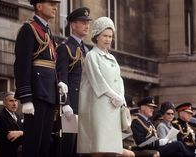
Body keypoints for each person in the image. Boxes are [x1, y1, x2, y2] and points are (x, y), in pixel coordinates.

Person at [14, 0, 67, 157]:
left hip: (48, 92)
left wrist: (58, 83)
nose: (55, 8)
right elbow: (22, 64)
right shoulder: (28, 29)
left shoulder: (47, 31)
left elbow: (51, 64)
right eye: (51, 3)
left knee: (45, 145)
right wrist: (26, 98)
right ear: (39, 6)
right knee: (33, 144)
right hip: (36, 93)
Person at [77, 16, 134, 157]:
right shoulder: (91, 56)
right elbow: (98, 80)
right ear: (97, 36)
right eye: (105, 36)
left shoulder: (112, 58)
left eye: (110, 36)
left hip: (113, 108)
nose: (108, 39)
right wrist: (114, 96)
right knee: (98, 147)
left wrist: (122, 98)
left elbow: (119, 80)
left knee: (112, 149)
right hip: (98, 107)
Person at [56, 7, 92, 157]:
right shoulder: (65, 47)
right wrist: (65, 104)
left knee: (81, 149)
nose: (87, 25)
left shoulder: (86, 50)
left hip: (84, 104)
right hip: (72, 105)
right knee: (68, 147)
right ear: (73, 24)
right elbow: (61, 78)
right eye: (83, 22)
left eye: (87, 22)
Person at [0, 92, 23, 157]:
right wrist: (22, 133)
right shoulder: (1, 117)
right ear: (4, 103)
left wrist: (20, 133)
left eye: (16, 101)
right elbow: (10, 137)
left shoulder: (18, 116)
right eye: (11, 101)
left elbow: (23, 133)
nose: (14, 103)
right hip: (8, 153)